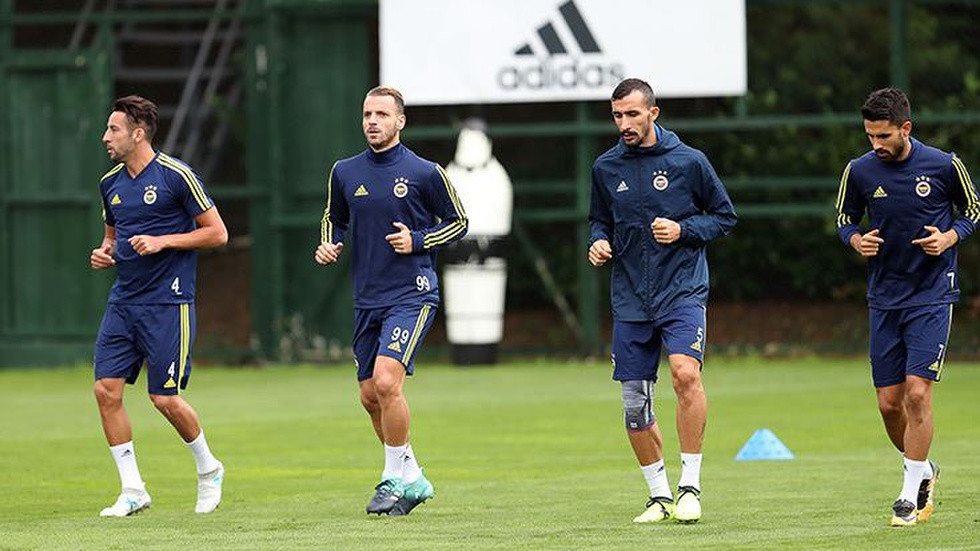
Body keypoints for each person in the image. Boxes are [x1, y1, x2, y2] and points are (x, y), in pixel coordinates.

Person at [588, 78, 737, 524]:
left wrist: (684, 230)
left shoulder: (689, 161)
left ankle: (690, 487)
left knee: (685, 374)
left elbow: (724, 216)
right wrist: (598, 242)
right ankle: (659, 496)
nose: (624, 124)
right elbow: (599, 220)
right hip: (631, 297)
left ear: (653, 113)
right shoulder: (605, 167)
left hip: (682, 290)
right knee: (634, 402)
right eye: (617, 116)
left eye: (632, 114)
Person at [314, 86, 468, 516]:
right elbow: (334, 218)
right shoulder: (345, 171)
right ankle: (414, 477)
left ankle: (391, 479)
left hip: (412, 294)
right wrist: (329, 243)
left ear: (400, 121)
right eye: (367, 114)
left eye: (382, 114)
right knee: (369, 396)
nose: (372, 121)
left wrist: (417, 240)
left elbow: (458, 222)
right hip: (367, 298)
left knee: (386, 382)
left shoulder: (424, 172)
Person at [835, 87, 978, 527]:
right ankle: (924, 469)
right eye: (870, 135)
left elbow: (972, 210)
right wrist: (857, 241)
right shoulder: (859, 170)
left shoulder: (943, 164)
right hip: (884, 297)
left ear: (906, 128)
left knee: (917, 393)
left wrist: (949, 237)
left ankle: (908, 494)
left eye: (883, 135)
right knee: (888, 404)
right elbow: (844, 220)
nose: (875, 143)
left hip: (932, 293)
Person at [90, 95, 228, 517]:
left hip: (168, 301)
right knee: (105, 390)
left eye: (113, 129)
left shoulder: (176, 176)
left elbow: (217, 233)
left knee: (164, 398)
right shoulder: (110, 184)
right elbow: (112, 237)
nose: (105, 137)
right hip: (124, 301)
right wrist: (105, 253)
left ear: (138, 133)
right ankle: (133, 489)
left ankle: (209, 469)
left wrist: (163, 241)